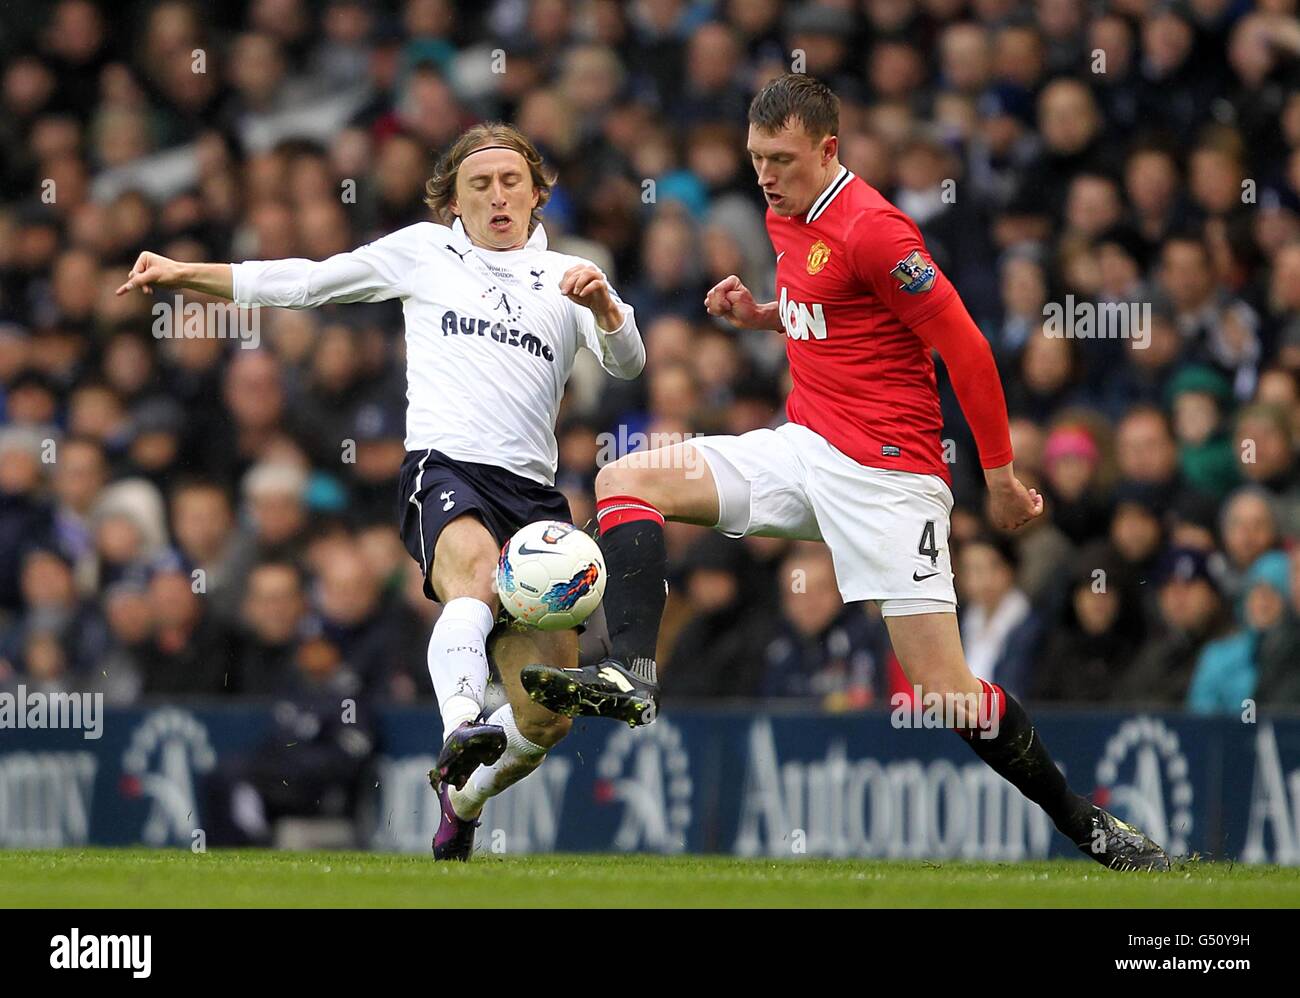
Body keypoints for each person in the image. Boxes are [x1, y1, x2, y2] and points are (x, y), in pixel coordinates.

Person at [522, 74, 1169, 871]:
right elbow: (833, 307)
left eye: (782, 159)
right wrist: (764, 313)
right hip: (806, 444)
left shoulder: (880, 233)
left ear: (829, 150)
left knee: (944, 691)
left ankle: (1089, 828)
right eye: (756, 157)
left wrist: (998, 476)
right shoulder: (785, 209)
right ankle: (632, 672)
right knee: (627, 480)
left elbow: (964, 346)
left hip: (890, 475)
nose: (765, 174)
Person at [116, 123, 646, 861]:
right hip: (447, 470)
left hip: (535, 503)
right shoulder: (424, 253)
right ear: (452, 202)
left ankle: (462, 795)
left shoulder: (571, 275)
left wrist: (608, 314)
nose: (497, 196)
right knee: (473, 582)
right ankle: (461, 722)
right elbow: (307, 280)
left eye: (510, 182)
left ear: (535, 192)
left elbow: (628, 365)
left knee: (546, 721)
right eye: (479, 185)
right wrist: (185, 273)